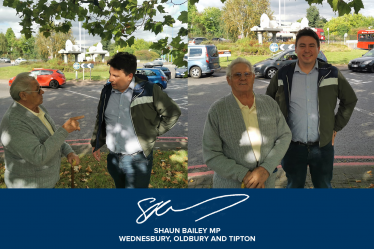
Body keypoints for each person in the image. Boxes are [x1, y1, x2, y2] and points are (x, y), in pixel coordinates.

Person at [266, 28, 358, 188]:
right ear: (295, 49)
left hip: (322, 147)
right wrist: (276, 132)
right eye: (302, 45)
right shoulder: (283, 74)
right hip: (292, 147)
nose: (306, 50)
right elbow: (268, 105)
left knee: (323, 186)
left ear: (318, 49)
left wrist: (335, 127)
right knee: (294, 186)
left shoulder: (332, 73)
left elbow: (349, 100)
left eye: (311, 45)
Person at [91, 52, 181, 188]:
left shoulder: (150, 90)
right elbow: (101, 118)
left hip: (137, 160)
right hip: (114, 158)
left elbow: (173, 113)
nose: (110, 79)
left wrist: (153, 132)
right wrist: (96, 142)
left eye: (115, 76)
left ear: (129, 76)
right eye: (110, 74)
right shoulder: (107, 91)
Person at [202, 57, 292, 188]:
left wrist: (265, 169)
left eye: (246, 74)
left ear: (253, 77)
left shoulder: (270, 104)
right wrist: (245, 175)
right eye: (237, 75)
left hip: (266, 184)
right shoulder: (217, 110)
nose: (242, 78)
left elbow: (285, 135)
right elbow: (211, 154)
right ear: (229, 80)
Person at [0, 72, 83, 188]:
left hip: (47, 183)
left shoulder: (38, 108)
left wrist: (69, 152)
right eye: (38, 90)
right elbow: (39, 157)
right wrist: (64, 130)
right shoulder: (13, 123)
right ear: (23, 95)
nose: (42, 92)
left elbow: (52, 137)